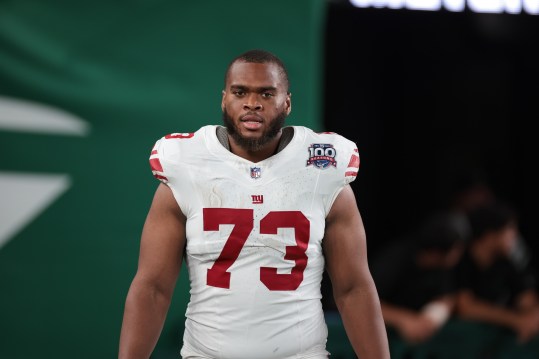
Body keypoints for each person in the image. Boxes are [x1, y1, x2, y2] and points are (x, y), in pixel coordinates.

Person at [118, 49, 390, 359]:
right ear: (224, 99)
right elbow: (153, 287)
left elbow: (353, 287)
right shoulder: (186, 166)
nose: (252, 103)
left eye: (266, 93)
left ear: (287, 101)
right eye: (240, 92)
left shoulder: (322, 170)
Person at [369, 212, 466, 356]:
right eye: (457, 248)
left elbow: (446, 298)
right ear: (438, 252)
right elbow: (362, 302)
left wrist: (432, 317)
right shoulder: (395, 260)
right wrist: (403, 320)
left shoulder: (442, 269)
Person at [454, 200, 539, 346]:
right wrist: (515, 320)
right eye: (510, 229)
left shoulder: (506, 263)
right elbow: (465, 307)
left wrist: (532, 317)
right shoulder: (459, 261)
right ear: (490, 235)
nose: (514, 237)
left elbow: (526, 299)